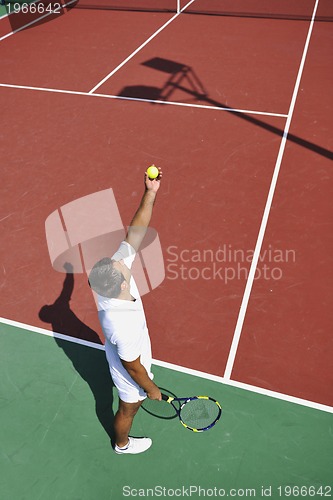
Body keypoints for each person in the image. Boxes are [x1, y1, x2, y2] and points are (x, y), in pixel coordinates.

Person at [88, 168, 163, 455]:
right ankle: (122, 444)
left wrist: (150, 192)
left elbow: (135, 233)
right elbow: (133, 366)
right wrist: (151, 388)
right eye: (122, 266)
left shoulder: (110, 280)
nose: (124, 260)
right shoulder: (122, 325)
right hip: (128, 365)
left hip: (130, 350)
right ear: (119, 284)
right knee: (129, 407)